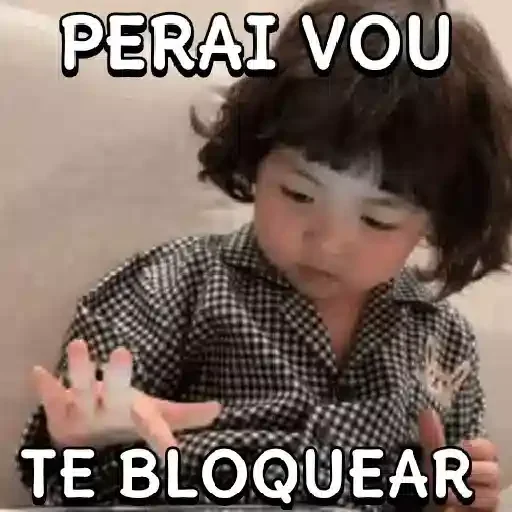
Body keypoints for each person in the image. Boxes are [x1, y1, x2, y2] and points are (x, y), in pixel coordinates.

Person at [16, 0, 512, 509]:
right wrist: (81, 440)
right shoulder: (175, 289)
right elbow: (64, 469)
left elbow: (452, 483)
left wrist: (458, 498)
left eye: (377, 220)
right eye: (298, 194)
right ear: (256, 162)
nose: (328, 243)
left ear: (437, 222)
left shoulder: (442, 342)